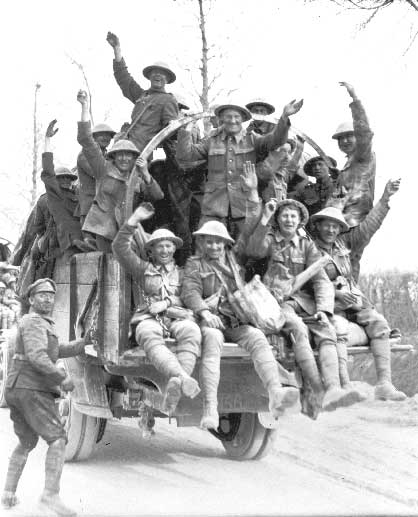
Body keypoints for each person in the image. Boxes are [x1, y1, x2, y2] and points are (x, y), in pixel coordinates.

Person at [181, 218, 300, 430]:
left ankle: (275, 392)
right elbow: (190, 291)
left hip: (236, 320)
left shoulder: (234, 261)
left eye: (218, 242)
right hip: (212, 321)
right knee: (212, 341)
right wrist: (205, 312)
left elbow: (252, 243)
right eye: (209, 241)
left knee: (257, 338)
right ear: (202, 242)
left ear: (225, 243)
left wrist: (264, 219)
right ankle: (210, 408)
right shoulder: (195, 264)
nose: (214, 246)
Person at [246, 198, 363, 413]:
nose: (289, 220)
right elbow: (253, 250)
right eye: (284, 215)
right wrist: (264, 218)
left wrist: (323, 310)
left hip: (303, 302)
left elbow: (320, 280)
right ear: (278, 219)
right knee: (298, 328)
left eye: (293, 216)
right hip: (275, 303)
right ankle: (318, 389)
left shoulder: (306, 245)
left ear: (300, 220)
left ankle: (333, 390)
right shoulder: (269, 240)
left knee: (326, 329)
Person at [310, 179, 406, 401]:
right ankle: (342, 387)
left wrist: (384, 199)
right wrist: (335, 294)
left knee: (379, 323)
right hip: (326, 305)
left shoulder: (343, 245)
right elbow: (309, 284)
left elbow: (368, 226)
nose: (331, 229)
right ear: (318, 225)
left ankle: (384, 384)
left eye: (336, 226)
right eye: (327, 224)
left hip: (353, 302)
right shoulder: (310, 249)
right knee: (338, 330)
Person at [1, 278, 89, 515]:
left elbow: (55, 350)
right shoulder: (33, 321)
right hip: (32, 388)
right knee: (58, 439)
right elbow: (38, 356)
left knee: (27, 441)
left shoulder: (41, 323)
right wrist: (62, 378)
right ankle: (50, 496)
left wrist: (83, 344)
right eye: (42, 295)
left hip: (19, 388)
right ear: (31, 300)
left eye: (51, 295)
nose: (48, 299)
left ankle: (8, 495)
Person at [112, 203, 201, 414]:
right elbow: (119, 248)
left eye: (169, 245)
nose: (165, 250)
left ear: (175, 249)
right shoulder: (143, 269)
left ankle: (177, 385)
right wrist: (133, 221)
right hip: (150, 318)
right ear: (151, 250)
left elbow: (190, 297)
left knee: (192, 331)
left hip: (177, 317)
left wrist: (169, 303)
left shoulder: (183, 272)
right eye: (159, 246)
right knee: (146, 333)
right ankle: (183, 378)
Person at [176, 99, 303, 239]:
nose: (232, 120)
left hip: (244, 208)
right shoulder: (211, 140)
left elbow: (276, 140)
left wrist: (284, 117)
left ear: (243, 119)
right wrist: (187, 128)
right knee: (207, 246)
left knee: (244, 251)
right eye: (228, 116)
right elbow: (185, 156)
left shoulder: (252, 139)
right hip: (214, 208)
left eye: (236, 117)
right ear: (221, 118)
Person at [77, 90, 164, 252]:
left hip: (128, 227)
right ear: (114, 157)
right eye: (120, 155)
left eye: (129, 156)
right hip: (104, 227)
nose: (124, 159)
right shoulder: (102, 169)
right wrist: (84, 107)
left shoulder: (136, 176)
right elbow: (86, 140)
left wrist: (145, 173)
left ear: (134, 158)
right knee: (112, 261)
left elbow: (158, 196)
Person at [331, 82, 376, 281]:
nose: (345, 141)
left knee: (347, 263)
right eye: (341, 139)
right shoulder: (348, 164)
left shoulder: (363, 156)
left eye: (349, 137)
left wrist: (354, 99)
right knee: (344, 263)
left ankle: (353, 301)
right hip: (345, 221)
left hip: (354, 221)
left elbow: (365, 132)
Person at [106, 31, 179, 152]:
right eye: (154, 72)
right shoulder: (142, 95)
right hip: (124, 146)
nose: (158, 76)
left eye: (162, 74)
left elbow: (170, 131)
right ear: (149, 77)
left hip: (141, 153)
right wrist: (117, 49)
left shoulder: (168, 100)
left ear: (167, 79)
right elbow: (124, 79)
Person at [41, 120, 92, 255]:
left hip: (86, 237)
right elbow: (48, 172)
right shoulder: (55, 196)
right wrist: (47, 140)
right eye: (61, 178)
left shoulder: (78, 194)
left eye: (68, 178)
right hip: (70, 241)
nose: (65, 180)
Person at [75, 122, 116, 247]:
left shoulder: (108, 156)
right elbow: (97, 172)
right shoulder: (84, 155)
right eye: (101, 135)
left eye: (108, 136)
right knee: (92, 243)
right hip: (90, 205)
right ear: (93, 138)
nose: (105, 138)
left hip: (104, 205)